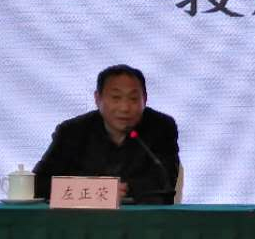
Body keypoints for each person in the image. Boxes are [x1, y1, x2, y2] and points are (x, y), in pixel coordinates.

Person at [33, 64, 180, 204]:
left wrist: (120, 190)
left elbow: (165, 181)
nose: (125, 107)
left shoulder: (161, 127)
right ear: (98, 99)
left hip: (140, 216)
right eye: (116, 97)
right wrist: (97, 190)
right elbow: (39, 184)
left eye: (133, 99)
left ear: (145, 99)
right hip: (82, 216)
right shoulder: (72, 132)